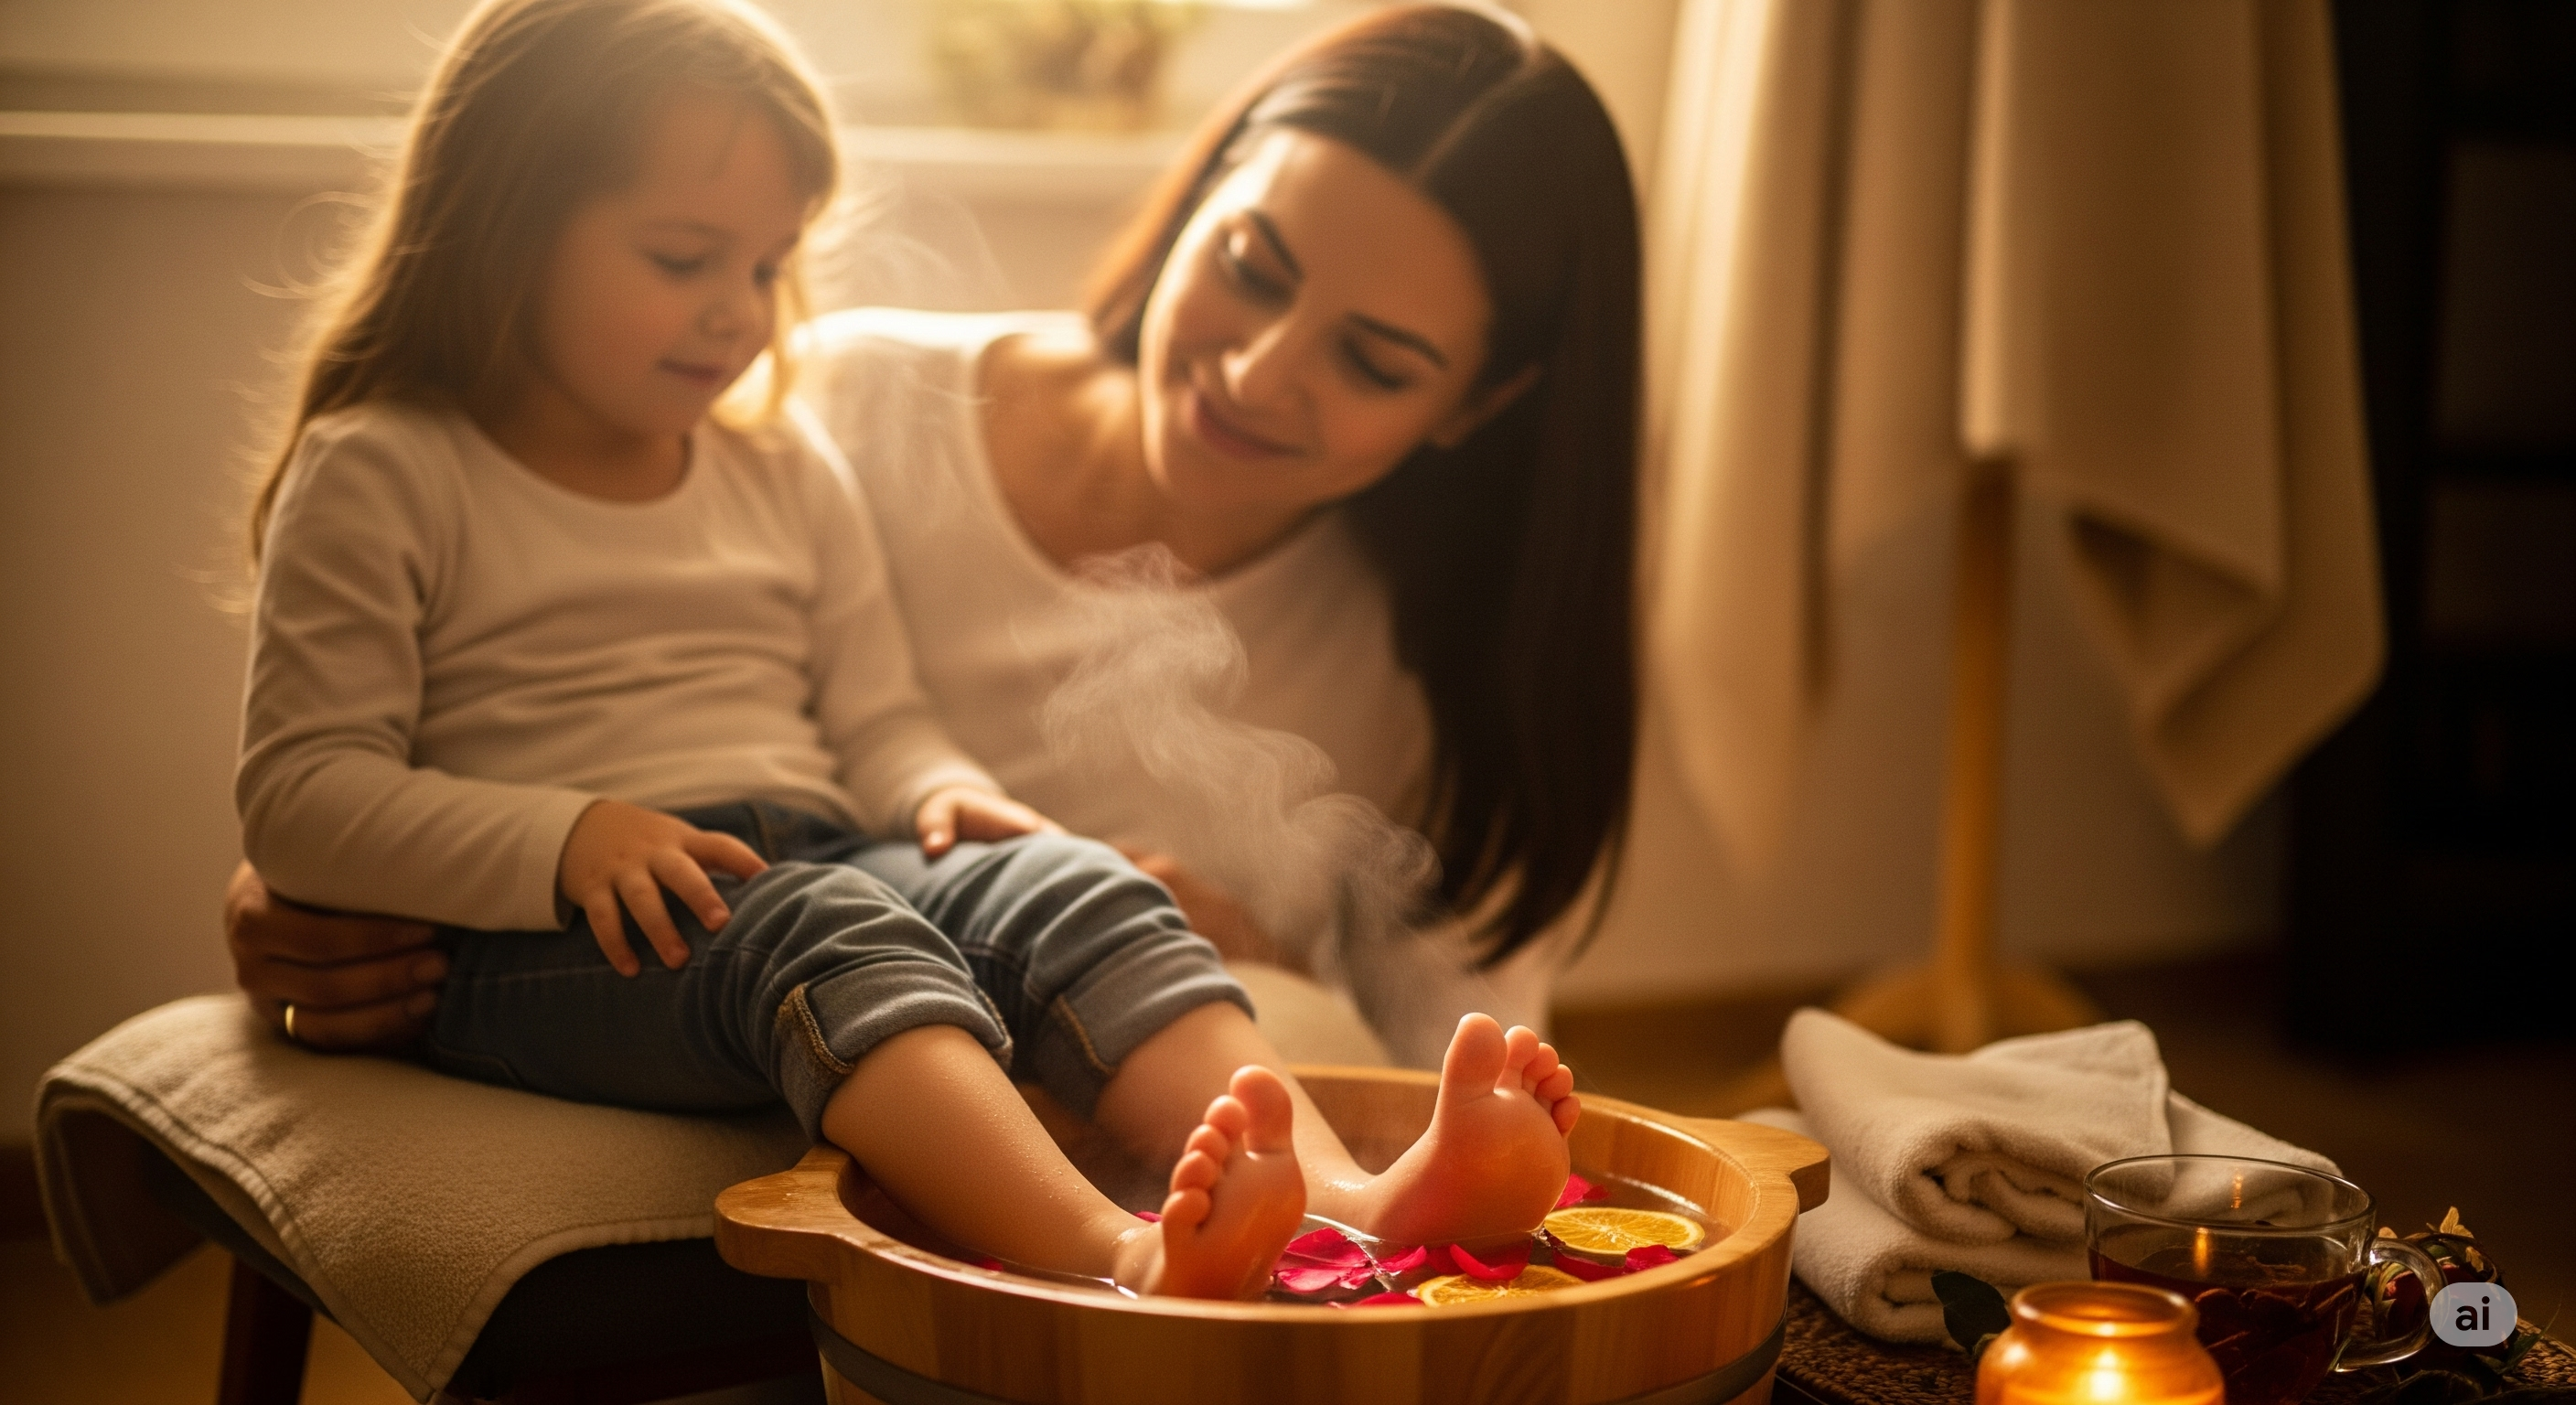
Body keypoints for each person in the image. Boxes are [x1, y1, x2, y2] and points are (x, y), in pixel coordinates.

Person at [237, 0, 1577, 1298]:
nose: (743, 316)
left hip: (799, 858)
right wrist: (562, 841)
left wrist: (941, 790)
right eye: (682, 258)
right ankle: (1118, 1256)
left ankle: (1357, 1203)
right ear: (504, 229)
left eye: (765, 267)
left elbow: (878, 719)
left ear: (1484, 398)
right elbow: (301, 796)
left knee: (1062, 880)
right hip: (563, 926)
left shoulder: (778, 464)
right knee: (822, 926)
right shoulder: (387, 471)